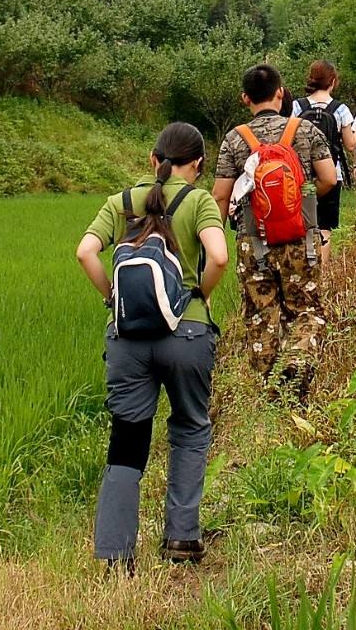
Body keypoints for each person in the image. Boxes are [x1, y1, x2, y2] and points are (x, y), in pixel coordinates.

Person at [74, 122, 228, 573]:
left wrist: (111, 298)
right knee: (190, 427)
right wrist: (199, 294)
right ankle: (181, 537)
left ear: (152, 159)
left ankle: (117, 554)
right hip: (188, 334)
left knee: (127, 440)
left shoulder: (120, 203)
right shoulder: (198, 200)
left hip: (127, 338)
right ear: (198, 164)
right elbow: (219, 256)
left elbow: (85, 252)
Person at [211, 63, 338, 403]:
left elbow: (221, 196)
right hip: (300, 240)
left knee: (260, 315)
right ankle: (296, 363)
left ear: (244, 98)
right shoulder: (306, 130)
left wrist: (213, 242)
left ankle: (273, 393)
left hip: (253, 243)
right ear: (281, 92)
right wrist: (302, 199)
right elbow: (329, 179)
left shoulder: (235, 139)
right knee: (307, 311)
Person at [290, 59, 356, 266]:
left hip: (300, 177)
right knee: (325, 227)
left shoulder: (296, 106)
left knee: (302, 226)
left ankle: (303, 268)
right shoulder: (340, 109)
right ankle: (323, 276)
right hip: (330, 176)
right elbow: (351, 144)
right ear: (333, 81)